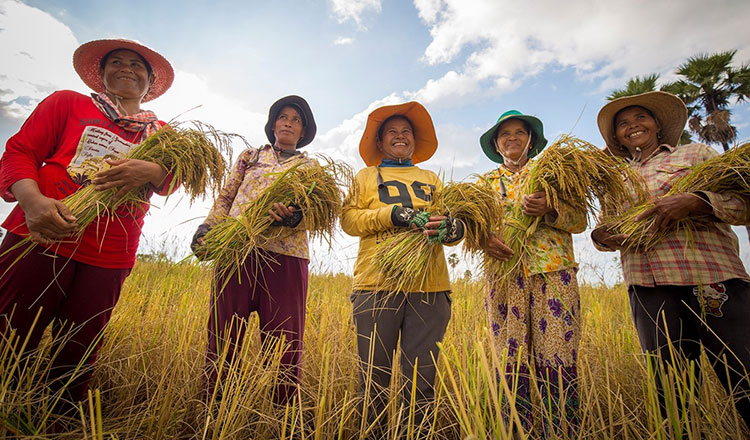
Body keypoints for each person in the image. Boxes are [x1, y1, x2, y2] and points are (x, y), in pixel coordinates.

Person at [0, 38, 175, 411]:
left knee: (79, 344)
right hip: (39, 234)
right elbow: (20, 152)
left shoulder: (162, 134)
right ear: (102, 73)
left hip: (109, 251)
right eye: (117, 61)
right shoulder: (69, 103)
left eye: (137, 65)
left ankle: (57, 419)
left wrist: (155, 168)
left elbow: (173, 179)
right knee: (11, 331)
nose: (126, 68)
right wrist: (32, 203)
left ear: (149, 81)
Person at [592, 90, 750, 428]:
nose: (632, 126)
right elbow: (607, 228)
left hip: (713, 277)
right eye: (623, 124)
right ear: (617, 137)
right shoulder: (616, 180)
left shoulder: (695, 154)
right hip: (649, 288)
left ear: (658, 126)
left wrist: (698, 202)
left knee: (744, 373)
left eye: (640, 118)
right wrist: (601, 236)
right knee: (672, 393)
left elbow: (742, 203)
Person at [341, 101, 464, 437]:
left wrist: (454, 229)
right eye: (391, 132)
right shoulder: (366, 177)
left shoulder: (431, 179)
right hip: (376, 286)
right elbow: (349, 220)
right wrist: (391, 216)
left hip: (430, 287)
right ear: (380, 143)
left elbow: (452, 222)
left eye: (405, 132)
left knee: (422, 380)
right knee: (372, 382)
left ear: (414, 141)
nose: (400, 136)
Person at [191, 95, 317, 405]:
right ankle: (215, 408)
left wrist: (296, 216)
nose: (288, 122)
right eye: (282, 116)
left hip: (286, 257)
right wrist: (207, 228)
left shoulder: (310, 167)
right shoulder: (250, 156)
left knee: (284, 342)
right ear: (273, 124)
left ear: (303, 131)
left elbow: (318, 211)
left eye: (296, 119)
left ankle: (280, 415)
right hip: (237, 251)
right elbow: (226, 196)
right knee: (223, 334)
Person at [478, 110, 586, 436]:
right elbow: (472, 228)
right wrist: (483, 239)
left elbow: (579, 221)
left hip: (552, 274)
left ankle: (561, 431)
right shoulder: (485, 184)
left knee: (557, 356)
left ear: (531, 140)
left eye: (520, 132)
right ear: (497, 146)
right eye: (505, 134)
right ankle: (516, 432)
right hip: (504, 277)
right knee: (510, 358)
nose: (512, 138)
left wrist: (551, 209)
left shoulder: (554, 177)